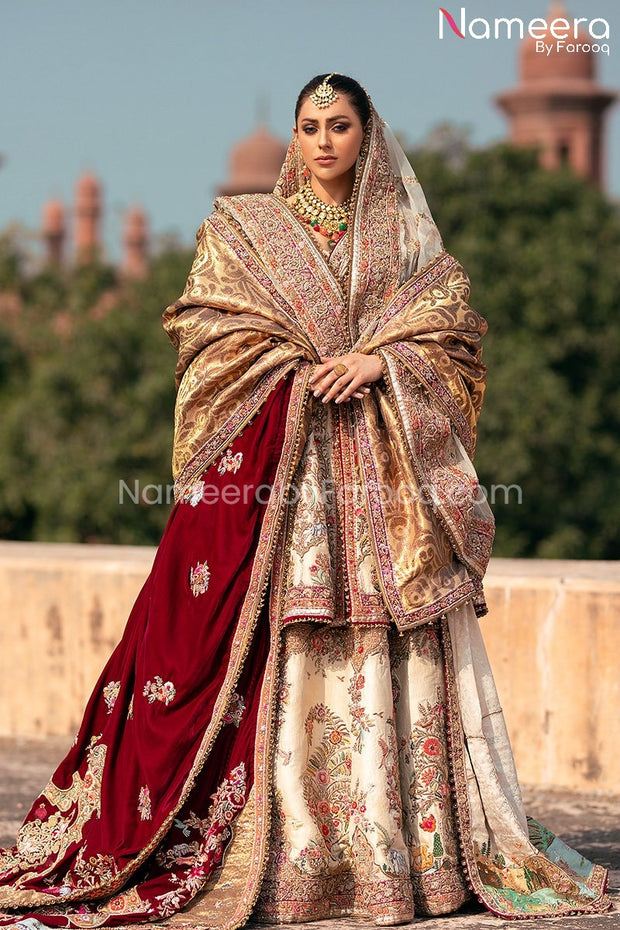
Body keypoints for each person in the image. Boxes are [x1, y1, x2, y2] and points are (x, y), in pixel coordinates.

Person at [0, 73, 612, 929]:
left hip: (383, 493)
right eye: (309, 125)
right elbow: (205, 334)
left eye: (340, 125)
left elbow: (456, 345)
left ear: (369, 134)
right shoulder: (247, 235)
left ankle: (395, 853)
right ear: (293, 137)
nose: (324, 140)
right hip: (288, 494)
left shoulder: (405, 244)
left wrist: (381, 364)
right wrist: (290, 370)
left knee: (388, 654)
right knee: (289, 649)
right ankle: (297, 848)